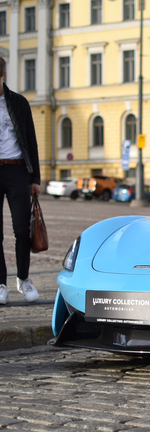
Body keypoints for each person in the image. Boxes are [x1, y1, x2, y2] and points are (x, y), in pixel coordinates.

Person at [0, 57, 41, 305]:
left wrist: (35, 178)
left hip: (17, 172)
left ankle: (23, 279)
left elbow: (32, 142)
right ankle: (0, 283)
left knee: (22, 231)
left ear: (3, 74)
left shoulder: (18, 102)